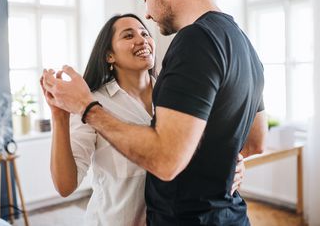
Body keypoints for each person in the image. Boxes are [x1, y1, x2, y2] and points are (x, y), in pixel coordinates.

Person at [42, 0, 267, 225]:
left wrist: (87, 108)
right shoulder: (244, 44)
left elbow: (166, 160)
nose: (147, 15)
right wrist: (222, 165)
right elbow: (254, 142)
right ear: (108, 55)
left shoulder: (194, 41)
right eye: (128, 34)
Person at [41, 13, 246, 225]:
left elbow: (198, 148)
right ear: (109, 55)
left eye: (145, 33)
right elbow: (65, 186)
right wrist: (59, 118)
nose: (141, 40)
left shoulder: (178, 95)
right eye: (128, 36)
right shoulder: (90, 104)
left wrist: (232, 165)